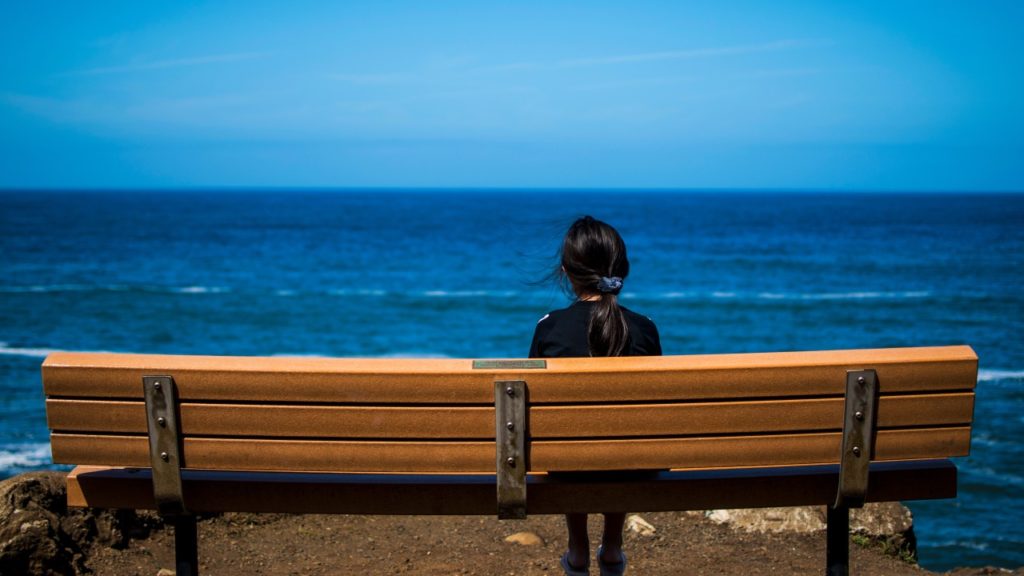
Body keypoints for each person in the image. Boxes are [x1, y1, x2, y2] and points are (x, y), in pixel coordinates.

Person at [529, 215, 661, 576]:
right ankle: (613, 548)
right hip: (632, 466)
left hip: (567, 462)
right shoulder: (645, 329)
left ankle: (577, 550)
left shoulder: (549, 328)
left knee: (568, 435)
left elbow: (535, 410)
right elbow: (649, 413)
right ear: (623, 270)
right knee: (622, 433)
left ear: (566, 272)